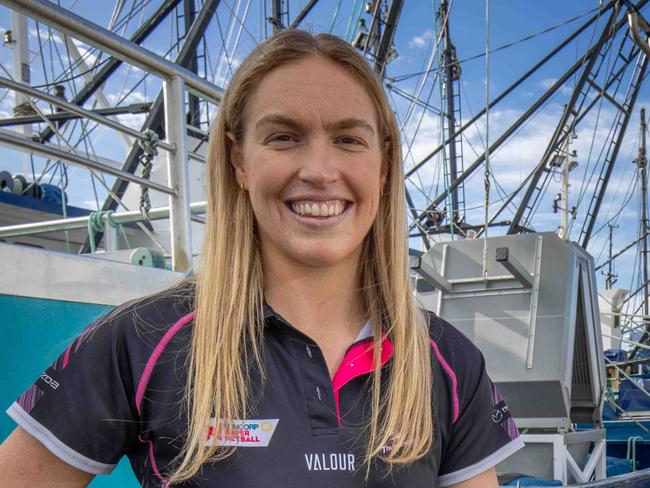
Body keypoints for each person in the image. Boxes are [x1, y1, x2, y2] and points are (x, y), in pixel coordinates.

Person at [0, 30, 524, 487]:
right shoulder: (142, 341)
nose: (319, 170)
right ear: (238, 161)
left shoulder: (448, 363)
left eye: (348, 139)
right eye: (283, 137)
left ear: (383, 167)